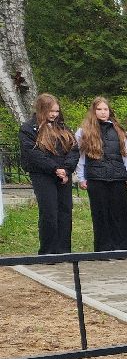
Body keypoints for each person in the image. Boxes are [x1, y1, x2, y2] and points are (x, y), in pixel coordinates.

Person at [20, 94, 80, 255]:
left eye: (56, 111)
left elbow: (74, 150)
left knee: (65, 212)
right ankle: (48, 251)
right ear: (41, 109)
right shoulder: (28, 128)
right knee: (49, 212)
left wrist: (66, 169)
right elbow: (33, 154)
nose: (54, 114)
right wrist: (54, 168)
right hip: (43, 175)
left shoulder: (63, 127)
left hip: (63, 175)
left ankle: (63, 250)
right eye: (50, 111)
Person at [74, 97, 127, 251]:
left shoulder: (118, 130)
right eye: (99, 109)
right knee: (101, 214)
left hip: (117, 177)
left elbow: (126, 155)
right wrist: (81, 177)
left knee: (120, 213)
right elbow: (80, 156)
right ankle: (104, 248)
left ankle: (123, 247)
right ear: (94, 111)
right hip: (96, 177)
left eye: (105, 109)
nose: (103, 112)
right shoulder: (84, 131)